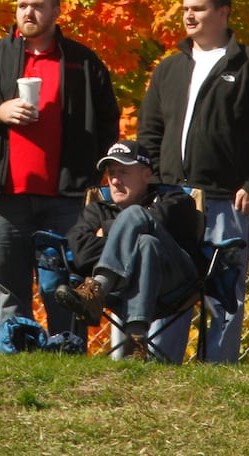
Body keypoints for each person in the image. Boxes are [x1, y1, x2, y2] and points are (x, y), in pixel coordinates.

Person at [0, 0, 120, 336]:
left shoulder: (82, 63)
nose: (29, 12)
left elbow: (108, 123)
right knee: (8, 286)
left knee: (65, 285)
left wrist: (91, 175)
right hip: (4, 198)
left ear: (56, 11)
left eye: (38, 5)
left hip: (66, 200)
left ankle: (67, 352)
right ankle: (17, 352)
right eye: (23, 5)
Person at [138, 0, 249, 363]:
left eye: (199, 8)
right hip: (172, 200)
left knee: (224, 292)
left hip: (226, 198)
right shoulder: (169, 68)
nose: (189, 14)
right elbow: (150, 130)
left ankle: (218, 370)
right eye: (186, 8)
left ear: (223, 13)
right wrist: (153, 184)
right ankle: (160, 366)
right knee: (169, 288)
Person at [54, 139, 204, 360]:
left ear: (146, 174)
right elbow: (82, 251)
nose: (114, 180)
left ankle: (97, 290)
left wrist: (109, 231)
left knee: (134, 215)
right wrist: (131, 240)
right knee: (147, 244)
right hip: (123, 287)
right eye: (111, 172)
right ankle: (136, 339)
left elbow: (164, 220)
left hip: (174, 283)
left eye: (123, 172)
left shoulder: (175, 200)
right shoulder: (97, 209)